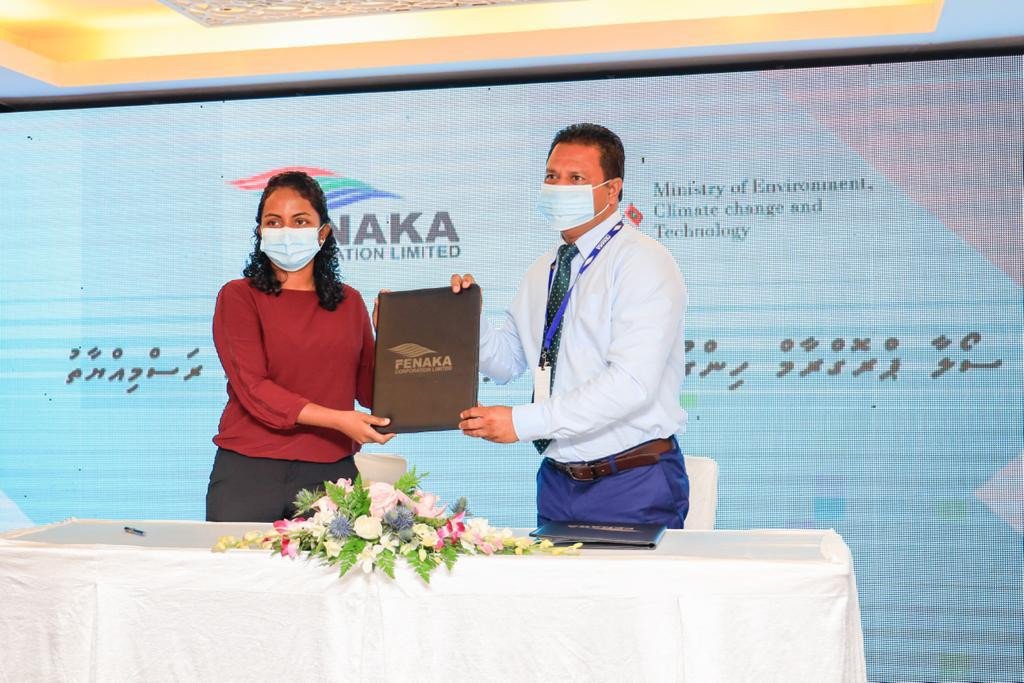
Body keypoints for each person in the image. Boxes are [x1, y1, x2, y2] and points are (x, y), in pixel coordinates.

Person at [454, 123, 689, 528]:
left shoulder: (642, 262)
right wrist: (464, 317)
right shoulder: (544, 268)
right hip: (557, 483)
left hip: (631, 479)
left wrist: (522, 423)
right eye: (552, 176)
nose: (559, 187)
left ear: (612, 190)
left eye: (576, 178)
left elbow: (631, 382)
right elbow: (506, 361)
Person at [207, 170, 394, 522]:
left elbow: (371, 393)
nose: (286, 231)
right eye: (273, 222)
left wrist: (390, 337)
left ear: (323, 232)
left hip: (331, 474)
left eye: (300, 221)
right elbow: (254, 389)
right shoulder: (238, 296)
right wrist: (338, 419)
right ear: (260, 232)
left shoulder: (349, 302)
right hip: (249, 471)